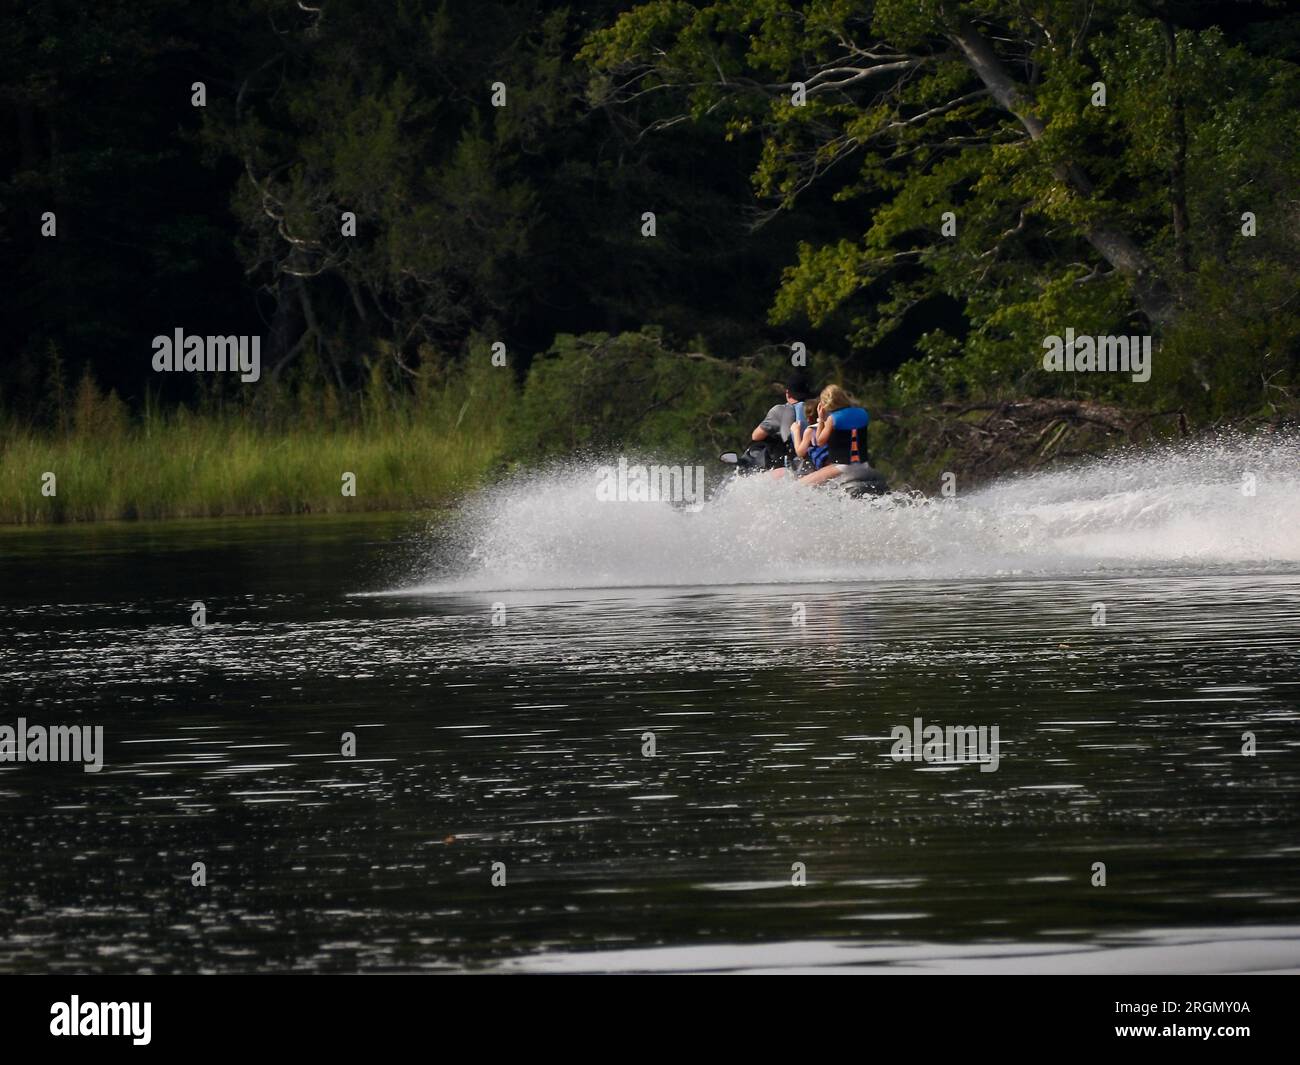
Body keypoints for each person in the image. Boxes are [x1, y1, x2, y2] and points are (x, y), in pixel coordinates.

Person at [798, 384, 870, 487]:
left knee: (800, 485)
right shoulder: (863, 413)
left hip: (843, 466)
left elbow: (820, 442)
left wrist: (821, 419)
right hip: (864, 464)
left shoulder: (833, 419)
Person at [753, 371, 817, 474]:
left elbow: (756, 436)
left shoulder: (780, 410)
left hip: (796, 465)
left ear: (787, 393)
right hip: (817, 460)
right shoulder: (818, 408)